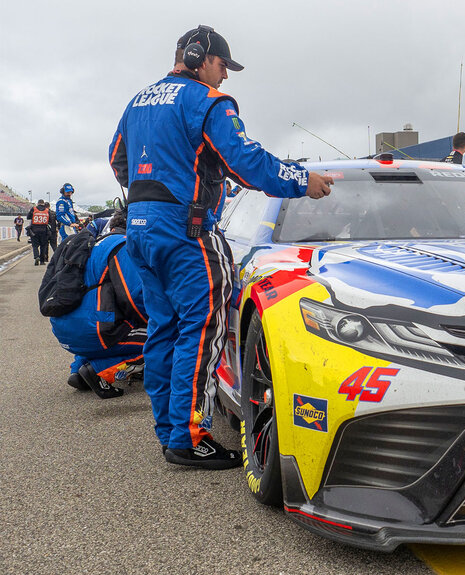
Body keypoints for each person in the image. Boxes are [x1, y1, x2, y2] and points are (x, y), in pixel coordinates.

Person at [109, 25, 332, 470]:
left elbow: (118, 159)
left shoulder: (137, 102)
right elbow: (245, 161)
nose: (225, 76)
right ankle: (190, 437)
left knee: (164, 329)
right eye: (222, 65)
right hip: (186, 233)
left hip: (140, 231)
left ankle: (171, 431)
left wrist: (149, 195)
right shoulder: (207, 102)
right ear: (197, 57)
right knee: (201, 328)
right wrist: (301, 180)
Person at [50, 209, 148, 399]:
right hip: (96, 332)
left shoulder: (92, 244)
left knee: (97, 323)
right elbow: (134, 297)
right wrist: (154, 319)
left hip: (65, 332)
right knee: (165, 336)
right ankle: (99, 371)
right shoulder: (121, 245)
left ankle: (78, 370)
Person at [26, 199, 50, 265]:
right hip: (44, 230)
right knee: (43, 246)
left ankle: (36, 257)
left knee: (35, 245)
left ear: (38, 203)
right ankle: (42, 261)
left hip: (34, 230)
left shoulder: (33, 209)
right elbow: (50, 220)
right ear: (43, 204)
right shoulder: (47, 210)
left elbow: (28, 217)